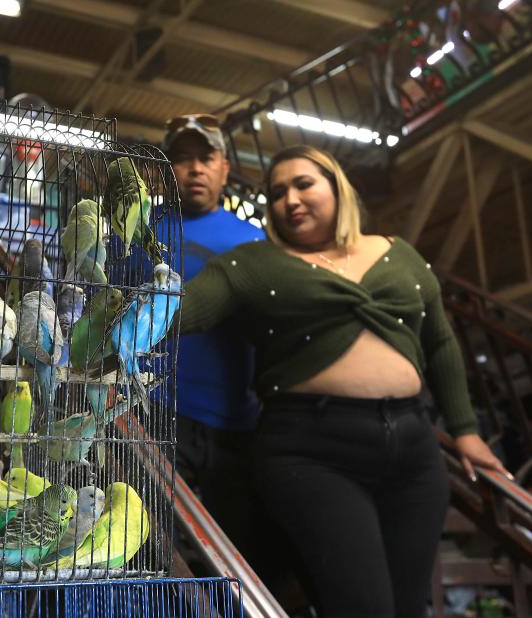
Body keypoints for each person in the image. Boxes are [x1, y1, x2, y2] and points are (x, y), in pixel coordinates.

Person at [178, 145, 511, 618]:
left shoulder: (399, 253)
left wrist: (466, 431)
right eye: (276, 193)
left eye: (303, 184)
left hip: (413, 449)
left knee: (408, 607)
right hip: (311, 449)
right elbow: (188, 308)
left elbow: (439, 342)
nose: (289, 200)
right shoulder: (253, 263)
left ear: (337, 187)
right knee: (362, 607)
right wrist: (115, 314)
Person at [161, 114, 265, 555]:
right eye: (183, 159)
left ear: (224, 168)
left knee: (234, 552)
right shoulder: (137, 230)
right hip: (156, 411)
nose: (195, 169)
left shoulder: (255, 241)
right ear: (168, 169)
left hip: (236, 419)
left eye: (206, 158)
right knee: (155, 547)